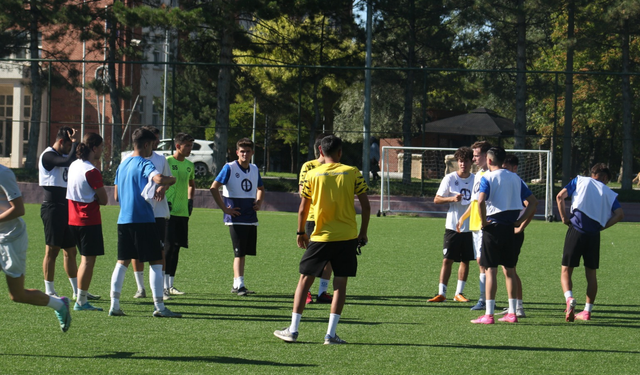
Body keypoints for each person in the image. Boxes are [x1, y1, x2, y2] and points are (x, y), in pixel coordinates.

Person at [274, 135, 370, 345]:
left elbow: (303, 208)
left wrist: (301, 233)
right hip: (347, 237)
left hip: (320, 236)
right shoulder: (352, 172)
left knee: (304, 281)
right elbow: (366, 205)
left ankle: (293, 330)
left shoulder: (312, 174)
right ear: (340, 152)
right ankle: (331, 335)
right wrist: (363, 232)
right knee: (340, 284)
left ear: (320, 151)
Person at [109, 128, 179, 318]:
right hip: (143, 219)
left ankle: (114, 305)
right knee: (156, 261)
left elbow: (115, 195)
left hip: (123, 220)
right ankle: (160, 307)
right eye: (153, 144)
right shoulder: (143, 163)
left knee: (122, 262)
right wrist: (171, 180)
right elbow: (158, 178)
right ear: (147, 144)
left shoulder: (123, 164)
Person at [1, 165, 72, 332]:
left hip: (10, 239)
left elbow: (19, 209)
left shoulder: (3, 174)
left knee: (17, 295)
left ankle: (59, 304)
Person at [470, 147, 537, 324]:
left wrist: (483, 222)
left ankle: (489, 314)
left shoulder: (488, 177)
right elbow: (533, 203)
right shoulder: (516, 178)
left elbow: (481, 200)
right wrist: (519, 221)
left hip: (493, 227)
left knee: (490, 270)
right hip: (510, 228)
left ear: (489, 161)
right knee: (510, 270)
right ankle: (513, 312)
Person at [556, 163, 624, 322]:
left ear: (592, 173)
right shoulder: (608, 192)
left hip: (575, 230)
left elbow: (560, 196)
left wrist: (565, 218)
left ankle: (569, 299)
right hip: (593, 235)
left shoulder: (579, 180)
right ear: (605, 178)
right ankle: (587, 311)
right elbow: (620, 214)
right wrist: (602, 227)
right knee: (591, 274)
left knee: (566, 270)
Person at [39, 127, 99, 301]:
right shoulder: (47, 155)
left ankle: (77, 290)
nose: (69, 149)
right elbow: (67, 161)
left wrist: (74, 144)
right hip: (52, 208)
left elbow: (72, 159)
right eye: (68, 145)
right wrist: (75, 143)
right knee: (52, 250)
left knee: (70, 251)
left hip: (66, 208)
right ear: (61, 142)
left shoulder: (66, 155)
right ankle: (49, 290)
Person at [210, 138, 264, 296]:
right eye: (242, 151)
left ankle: (237, 284)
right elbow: (214, 188)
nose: (245, 154)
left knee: (243, 252)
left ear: (252, 153)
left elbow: (261, 188)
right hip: (235, 217)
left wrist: (259, 202)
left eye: (248, 151)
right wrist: (224, 209)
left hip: (250, 217)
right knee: (238, 252)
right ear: (237, 153)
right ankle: (240, 285)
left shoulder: (254, 169)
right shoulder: (229, 168)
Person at [127, 126, 172, 301]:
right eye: (153, 139)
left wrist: (163, 186)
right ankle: (140, 288)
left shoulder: (161, 159)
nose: (155, 142)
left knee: (160, 249)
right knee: (136, 251)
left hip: (158, 212)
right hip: (138, 213)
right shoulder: (130, 160)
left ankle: (161, 289)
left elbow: (168, 180)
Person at [66, 133, 108, 312]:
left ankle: (79, 295)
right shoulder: (91, 170)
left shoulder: (74, 165)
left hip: (72, 218)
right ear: (94, 148)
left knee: (78, 258)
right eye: (101, 147)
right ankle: (81, 300)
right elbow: (104, 199)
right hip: (88, 220)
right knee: (87, 261)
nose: (103, 150)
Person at [428, 147, 474, 303]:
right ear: (457, 162)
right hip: (452, 226)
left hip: (470, 226)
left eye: (466, 161)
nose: (463, 164)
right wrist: (451, 199)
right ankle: (442, 293)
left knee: (465, 260)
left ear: (471, 162)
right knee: (447, 259)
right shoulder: (449, 178)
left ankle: (458, 293)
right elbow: (436, 199)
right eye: (460, 161)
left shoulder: (476, 179)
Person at [495, 155, 535, 318]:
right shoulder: (508, 182)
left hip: (513, 231)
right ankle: (516, 306)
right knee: (508, 269)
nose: (503, 171)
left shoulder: (517, 182)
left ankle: (518, 307)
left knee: (509, 269)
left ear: (514, 168)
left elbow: (531, 205)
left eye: (506, 168)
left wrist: (520, 226)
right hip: (508, 229)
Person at [298, 133, 333, 305]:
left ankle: (323, 292)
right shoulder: (309, 166)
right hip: (313, 217)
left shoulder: (337, 168)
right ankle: (306, 292)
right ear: (322, 148)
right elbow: (302, 192)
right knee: (312, 257)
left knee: (330, 257)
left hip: (332, 218)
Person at [456, 141, 491, 311]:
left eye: (477, 155)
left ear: (486, 156)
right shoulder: (478, 174)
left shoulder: (491, 175)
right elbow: (475, 201)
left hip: (486, 224)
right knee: (481, 262)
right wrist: (463, 217)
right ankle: (484, 299)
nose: (474, 158)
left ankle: (485, 300)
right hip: (475, 224)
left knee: (484, 262)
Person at [164, 133, 196, 296]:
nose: (190, 149)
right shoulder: (167, 162)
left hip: (183, 212)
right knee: (167, 248)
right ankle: (162, 286)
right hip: (168, 212)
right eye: (187, 145)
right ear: (178, 146)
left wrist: (190, 201)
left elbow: (191, 184)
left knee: (176, 248)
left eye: (191, 145)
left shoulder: (190, 165)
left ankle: (170, 284)